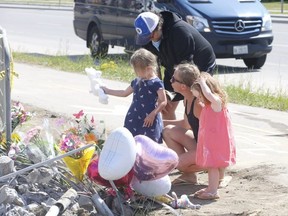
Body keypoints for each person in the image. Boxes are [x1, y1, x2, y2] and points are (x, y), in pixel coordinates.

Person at [134, 11, 216, 120]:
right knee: (166, 106)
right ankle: (170, 134)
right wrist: (160, 91)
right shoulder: (147, 38)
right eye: (146, 37)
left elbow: (189, 70)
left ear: (159, 27)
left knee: (191, 106)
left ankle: (194, 133)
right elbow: (154, 66)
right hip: (173, 66)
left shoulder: (180, 32)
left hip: (199, 64)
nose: (150, 39)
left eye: (151, 35)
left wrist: (187, 94)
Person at [101, 48, 167, 143]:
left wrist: (153, 114)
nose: (136, 73)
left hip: (148, 119)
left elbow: (163, 101)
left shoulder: (156, 83)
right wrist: (107, 91)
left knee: (148, 144)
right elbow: (124, 93)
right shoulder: (137, 81)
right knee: (130, 142)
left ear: (148, 68)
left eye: (137, 71)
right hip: (134, 116)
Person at [191, 72, 236, 200]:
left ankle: (213, 191)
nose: (199, 99)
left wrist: (203, 83)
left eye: (200, 96)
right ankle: (211, 187)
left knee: (213, 166)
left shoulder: (216, 102)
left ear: (206, 91)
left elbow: (209, 94)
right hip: (211, 141)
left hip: (217, 142)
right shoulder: (208, 106)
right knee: (211, 167)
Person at [162, 63, 203, 185]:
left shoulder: (198, 104)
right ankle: (189, 175)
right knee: (168, 130)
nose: (170, 80)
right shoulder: (187, 98)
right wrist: (159, 122)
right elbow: (186, 124)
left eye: (173, 79)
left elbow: (216, 131)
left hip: (209, 148)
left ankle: (214, 170)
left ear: (183, 86)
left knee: (176, 163)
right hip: (200, 142)